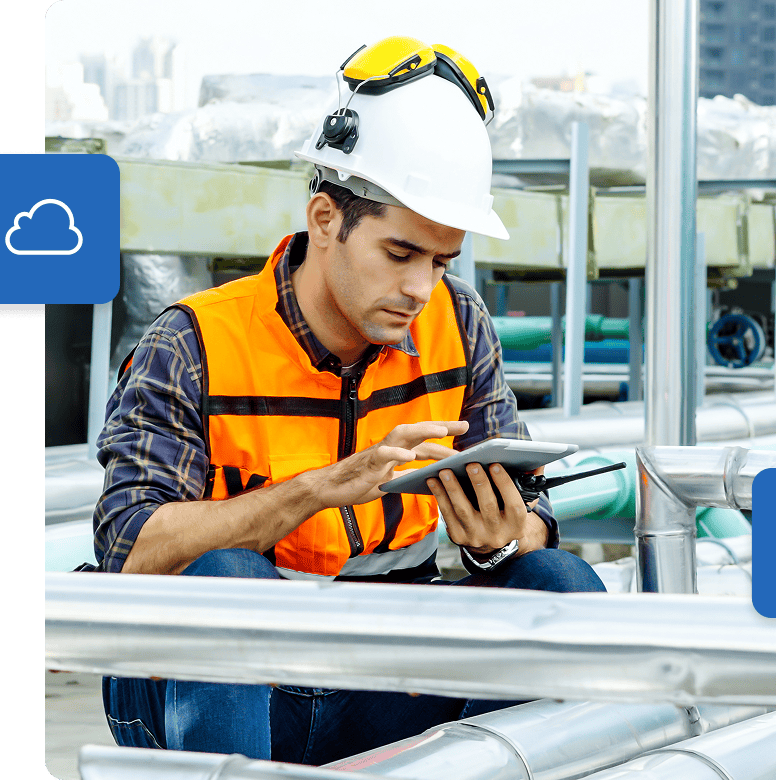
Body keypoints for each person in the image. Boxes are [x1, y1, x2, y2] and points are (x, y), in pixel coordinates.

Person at [91, 36, 606, 765]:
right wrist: (315, 491)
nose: (421, 289)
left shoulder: (458, 327)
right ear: (325, 219)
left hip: (384, 676)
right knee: (230, 582)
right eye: (400, 255)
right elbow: (129, 552)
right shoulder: (194, 342)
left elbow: (533, 526)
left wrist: (500, 539)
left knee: (561, 583)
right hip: (216, 688)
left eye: (440, 261)